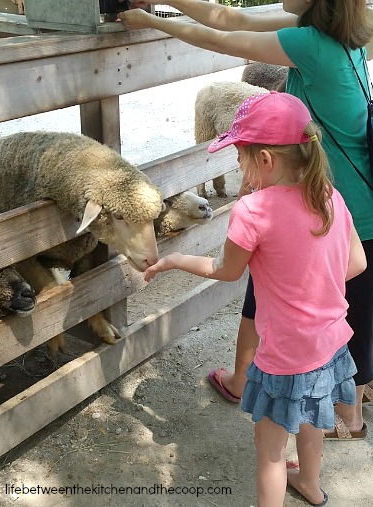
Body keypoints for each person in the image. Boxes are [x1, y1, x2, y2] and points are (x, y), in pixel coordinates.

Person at [120, 0, 373, 440]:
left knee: (296, 297)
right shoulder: (338, 32)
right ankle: (290, 389)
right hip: (345, 201)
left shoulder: (308, 43)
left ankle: (341, 415)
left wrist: (148, 18)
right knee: (331, 306)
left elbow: (220, 34)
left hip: (327, 207)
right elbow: (231, 18)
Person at [144, 91, 367, 507]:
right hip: (331, 341)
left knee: (270, 453)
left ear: (264, 160)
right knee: (312, 421)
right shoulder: (330, 196)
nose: (240, 169)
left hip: (283, 353)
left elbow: (226, 271)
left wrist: (175, 259)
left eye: (241, 159)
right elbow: (356, 262)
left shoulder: (252, 210)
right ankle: (312, 488)